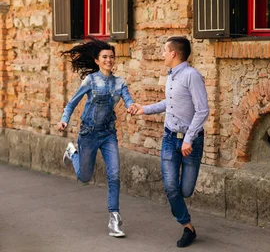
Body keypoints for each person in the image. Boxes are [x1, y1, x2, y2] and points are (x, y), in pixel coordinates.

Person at [129, 36, 209, 248]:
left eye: (164, 50)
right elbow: (170, 103)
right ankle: (188, 227)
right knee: (171, 187)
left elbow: (202, 110)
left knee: (185, 191)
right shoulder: (172, 76)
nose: (162, 54)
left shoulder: (192, 76)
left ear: (174, 53)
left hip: (190, 143)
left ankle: (186, 221)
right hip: (169, 139)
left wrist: (189, 139)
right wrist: (144, 109)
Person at [56, 37, 135, 238]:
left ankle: (114, 219)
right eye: (105, 57)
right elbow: (72, 103)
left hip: (108, 134)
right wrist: (64, 119)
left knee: (114, 174)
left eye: (111, 57)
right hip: (88, 134)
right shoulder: (90, 80)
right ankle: (72, 152)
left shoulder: (119, 82)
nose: (109, 60)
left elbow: (128, 100)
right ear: (97, 61)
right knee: (84, 177)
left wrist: (133, 107)